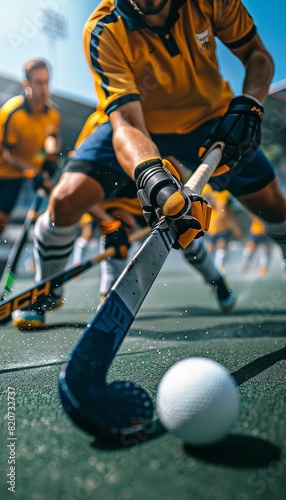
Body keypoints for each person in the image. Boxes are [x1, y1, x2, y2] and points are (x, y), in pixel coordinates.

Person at [12, 0, 286, 328]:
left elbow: (257, 55)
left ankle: (217, 279)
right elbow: (127, 123)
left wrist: (252, 104)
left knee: (275, 209)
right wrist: (152, 177)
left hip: (210, 119)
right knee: (64, 200)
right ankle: (46, 289)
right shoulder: (104, 28)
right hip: (133, 124)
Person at [0, 59, 61, 236]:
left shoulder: (54, 114)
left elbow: (53, 137)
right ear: (26, 84)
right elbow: (9, 153)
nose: (44, 88)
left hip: (15, 177)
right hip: (4, 168)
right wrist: (32, 171)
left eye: (47, 81)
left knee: (1, 222)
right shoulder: (11, 112)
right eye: (38, 82)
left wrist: (51, 155)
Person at [202, 185, 242, 269]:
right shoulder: (206, 187)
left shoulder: (223, 191)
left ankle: (218, 267)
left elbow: (226, 210)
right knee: (212, 246)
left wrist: (234, 226)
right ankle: (210, 266)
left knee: (220, 244)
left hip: (220, 226)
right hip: (211, 225)